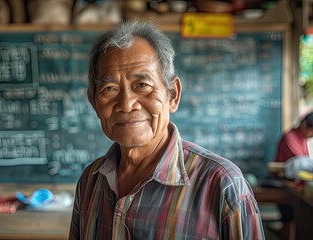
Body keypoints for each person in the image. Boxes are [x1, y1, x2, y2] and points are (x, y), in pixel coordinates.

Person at [69, 21, 265, 239]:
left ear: (173, 95)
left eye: (142, 85)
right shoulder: (90, 181)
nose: (126, 104)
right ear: (93, 102)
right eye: (110, 89)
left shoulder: (222, 185)